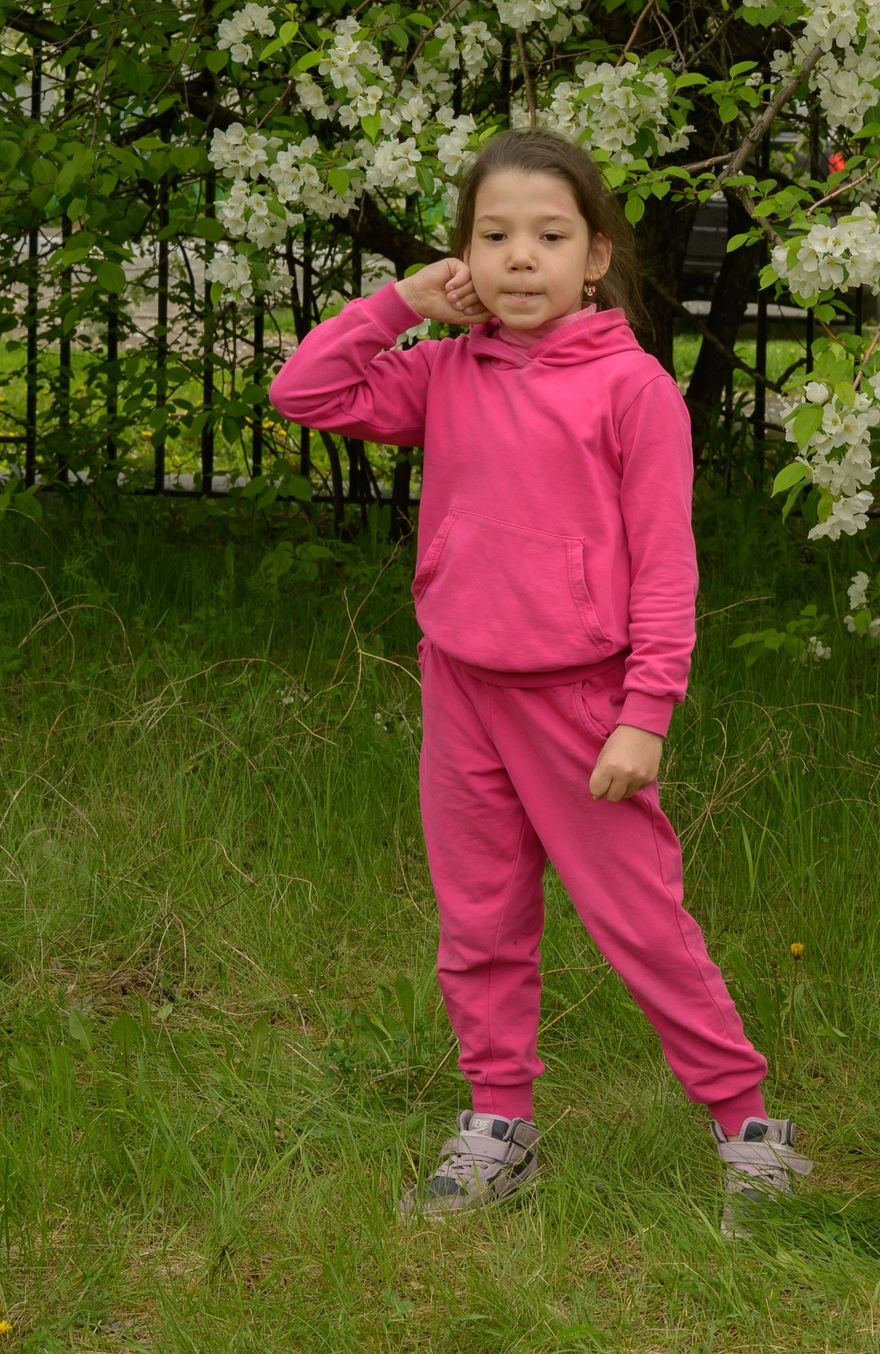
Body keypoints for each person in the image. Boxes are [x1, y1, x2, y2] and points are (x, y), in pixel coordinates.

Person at [268, 129, 811, 1236]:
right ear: (463, 254)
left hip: (585, 707)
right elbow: (303, 392)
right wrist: (400, 304)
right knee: (479, 921)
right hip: (461, 689)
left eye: (549, 236)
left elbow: (666, 569)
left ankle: (749, 1129)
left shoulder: (634, 390)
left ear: (597, 254)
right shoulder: (441, 373)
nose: (521, 258)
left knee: (641, 922)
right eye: (494, 235)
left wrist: (644, 715)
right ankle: (498, 1124)